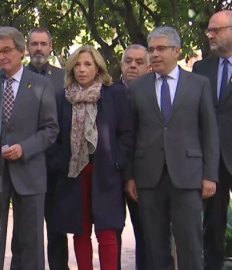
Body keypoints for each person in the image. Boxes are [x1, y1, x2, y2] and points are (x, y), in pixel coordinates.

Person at [127, 26, 219, 269]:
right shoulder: (137, 88)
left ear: (177, 51)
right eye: (152, 49)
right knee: (155, 247)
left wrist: (210, 175)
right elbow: (130, 135)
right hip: (148, 178)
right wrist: (129, 177)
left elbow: (209, 132)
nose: (155, 54)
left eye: (161, 49)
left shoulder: (199, 84)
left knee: (190, 244)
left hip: (188, 177)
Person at [0, 26, 58, 270]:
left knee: (30, 240)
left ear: (22, 51)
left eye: (7, 51)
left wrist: (24, 148)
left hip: (29, 170)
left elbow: (51, 129)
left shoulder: (41, 85)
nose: (1, 57)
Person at [49, 45, 134, 270]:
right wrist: (60, 163)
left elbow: (126, 134)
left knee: (107, 232)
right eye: (77, 64)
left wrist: (118, 161)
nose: (82, 69)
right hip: (74, 175)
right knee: (80, 231)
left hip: (106, 174)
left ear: (98, 68)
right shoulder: (62, 97)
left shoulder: (114, 94)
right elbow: (54, 136)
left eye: (87, 64)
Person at [192, 10, 232, 270]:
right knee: (212, 230)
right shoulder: (201, 68)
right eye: (209, 30)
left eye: (216, 30)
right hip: (212, 165)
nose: (210, 34)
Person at [20, 27, 68, 270]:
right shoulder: (16, 76)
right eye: (34, 44)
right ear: (27, 48)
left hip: (56, 164)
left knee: (56, 225)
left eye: (43, 44)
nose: (38, 48)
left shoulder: (63, 78)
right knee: (27, 226)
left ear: (51, 47)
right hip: (26, 161)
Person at [119, 44, 149, 270]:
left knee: (146, 235)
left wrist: (132, 176)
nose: (133, 66)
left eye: (139, 62)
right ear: (121, 65)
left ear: (148, 67)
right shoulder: (109, 92)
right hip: (109, 177)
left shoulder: (153, 93)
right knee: (110, 234)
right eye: (128, 61)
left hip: (143, 176)